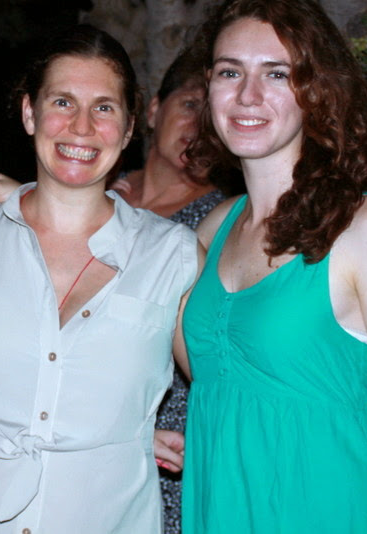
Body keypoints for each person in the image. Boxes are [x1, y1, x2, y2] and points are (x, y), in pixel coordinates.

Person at [0, 25, 199, 534]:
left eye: (104, 108)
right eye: (62, 102)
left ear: (129, 129)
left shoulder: (172, 256)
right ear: (30, 113)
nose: (81, 127)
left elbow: (230, 388)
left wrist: (120, 433)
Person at [176, 0, 367, 532]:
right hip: (223, 510)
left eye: (277, 74)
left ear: (315, 91)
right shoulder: (209, 232)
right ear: (209, 87)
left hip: (332, 509)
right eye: (230, 72)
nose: (248, 94)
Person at [110, 48, 225, 534]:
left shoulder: (221, 224)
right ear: (154, 110)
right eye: (190, 105)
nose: (198, 127)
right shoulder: (94, 190)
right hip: (74, 431)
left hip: (171, 448)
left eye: (212, 117)